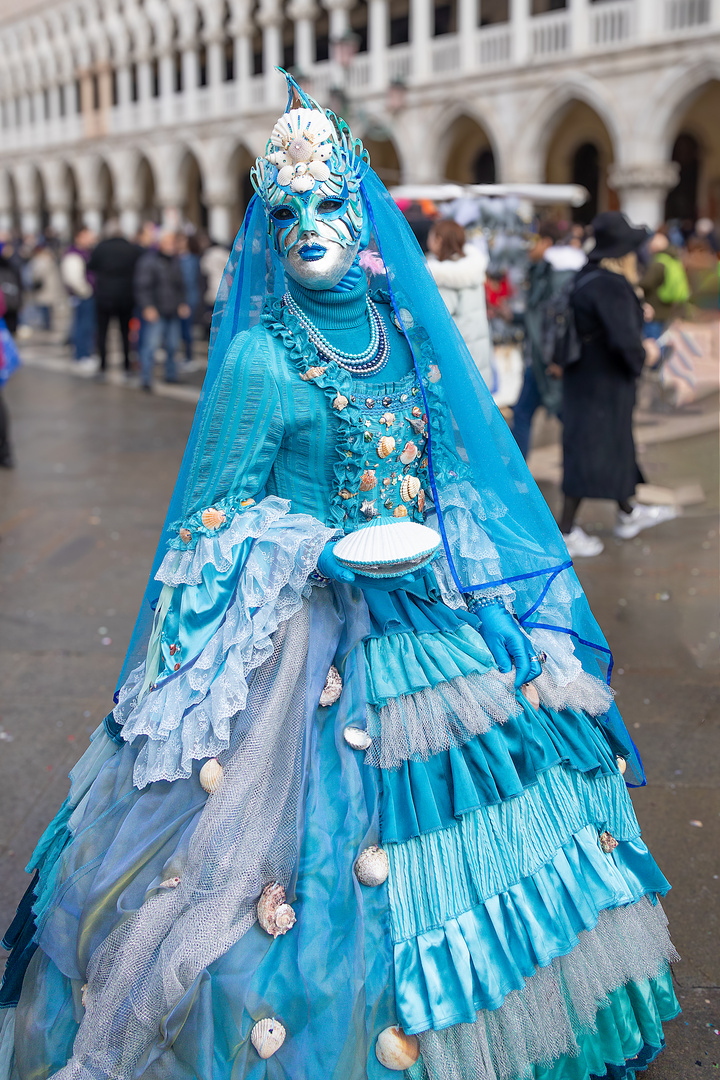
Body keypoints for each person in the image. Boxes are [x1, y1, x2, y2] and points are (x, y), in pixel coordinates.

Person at [0, 77, 679, 1080]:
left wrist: (460, 573)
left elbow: (444, 472)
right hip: (303, 640)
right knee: (254, 882)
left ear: (361, 210)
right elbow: (209, 524)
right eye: (286, 211)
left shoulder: (401, 333)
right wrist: (311, 548)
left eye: (328, 203)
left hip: (425, 618)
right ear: (265, 228)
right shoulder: (259, 364)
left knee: (502, 810)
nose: (309, 227)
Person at [560, 212, 677, 556]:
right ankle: (566, 529)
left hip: (585, 379)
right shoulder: (612, 284)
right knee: (591, 450)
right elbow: (624, 341)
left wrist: (636, 310)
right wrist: (647, 354)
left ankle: (628, 512)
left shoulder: (589, 276)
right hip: (604, 383)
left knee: (613, 444)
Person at [512, 222, 587, 459]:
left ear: (546, 242)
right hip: (541, 358)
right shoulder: (546, 271)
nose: (527, 248)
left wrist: (558, 358)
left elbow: (560, 321)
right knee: (529, 413)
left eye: (531, 242)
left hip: (548, 360)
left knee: (552, 413)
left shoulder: (557, 274)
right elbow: (540, 317)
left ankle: (520, 477)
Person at [426, 218, 494, 390]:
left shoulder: (441, 275)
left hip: (459, 360)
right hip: (477, 354)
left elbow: (440, 320)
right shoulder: (472, 269)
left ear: (439, 240)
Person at [87, 222, 144, 380]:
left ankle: (102, 366)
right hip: (126, 296)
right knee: (125, 332)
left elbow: (91, 266)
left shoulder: (100, 247)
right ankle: (127, 365)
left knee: (102, 332)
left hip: (104, 296)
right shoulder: (131, 248)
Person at [133, 230, 189, 390]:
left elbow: (180, 285)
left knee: (173, 346)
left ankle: (171, 374)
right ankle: (146, 379)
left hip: (172, 309)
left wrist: (182, 303)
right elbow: (142, 286)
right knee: (150, 346)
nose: (172, 245)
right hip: (156, 310)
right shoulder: (149, 261)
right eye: (169, 242)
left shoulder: (175, 261)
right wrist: (147, 307)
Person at [639, 230, 690, 339]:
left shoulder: (659, 262)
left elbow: (645, 283)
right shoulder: (673, 259)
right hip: (667, 308)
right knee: (661, 340)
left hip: (654, 309)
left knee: (652, 342)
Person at [60, 227, 97, 368]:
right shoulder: (74, 254)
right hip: (83, 296)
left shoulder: (86, 252)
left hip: (86, 294)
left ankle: (86, 353)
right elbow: (73, 278)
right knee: (83, 326)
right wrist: (86, 291)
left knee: (88, 326)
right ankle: (82, 355)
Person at [176, 231, 202, 364]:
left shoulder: (192, 260)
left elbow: (190, 281)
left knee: (187, 329)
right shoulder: (176, 258)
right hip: (179, 299)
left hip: (188, 298)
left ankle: (188, 356)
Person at [28, 242, 64, 331]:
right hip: (51, 287)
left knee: (44, 307)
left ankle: (46, 325)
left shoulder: (42, 261)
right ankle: (48, 324)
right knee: (48, 307)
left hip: (44, 288)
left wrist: (33, 277)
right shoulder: (50, 259)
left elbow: (38, 274)